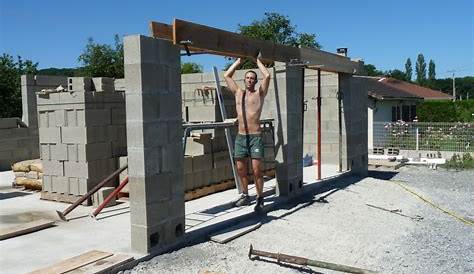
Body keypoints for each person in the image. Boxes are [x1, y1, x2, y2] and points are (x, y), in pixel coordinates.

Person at [223, 57, 270, 212]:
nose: (250, 80)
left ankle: (260, 197)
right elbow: (227, 76)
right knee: (241, 169)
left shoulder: (259, 94)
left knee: (257, 170)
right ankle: (245, 195)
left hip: (255, 137)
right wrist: (239, 61)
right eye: (248, 78)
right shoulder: (238, 93)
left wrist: (257, 62)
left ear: (255, 81)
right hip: (241, 137)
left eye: (252, 78)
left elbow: (268, 76)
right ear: (244, 80)